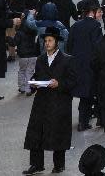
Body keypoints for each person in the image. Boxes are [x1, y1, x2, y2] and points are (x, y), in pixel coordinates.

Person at [23, 26, 77, 175]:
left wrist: (59, 84)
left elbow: (73, 82)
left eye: (50, 40)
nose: (47, 43)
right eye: (45, 41)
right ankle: (36, 164)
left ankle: (59, 164)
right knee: (36, 132)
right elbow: (38, 76)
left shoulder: (67, 60)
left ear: (56, 42)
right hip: (42, 101)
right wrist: (33, 84)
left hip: (59, 102)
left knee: (59, 133)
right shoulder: (40, 59)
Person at [68, 0, 103, 131]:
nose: (100, 14)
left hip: (77, 65)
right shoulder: (96, 26)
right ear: (92, 12)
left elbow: (69, 45)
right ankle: (84, 121)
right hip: (90, 66)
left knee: (83, 93)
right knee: (88, 95)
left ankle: (84, 118)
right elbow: (97, 47)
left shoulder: (76, 25)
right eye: (99, 11)